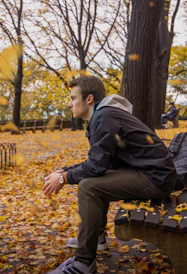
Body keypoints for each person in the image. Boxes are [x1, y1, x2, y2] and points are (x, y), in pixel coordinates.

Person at [43, 75, 177, 274]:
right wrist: (66, 170)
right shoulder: (105, 115)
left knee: (89, 187)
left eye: (73, 98)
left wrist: (63, 178)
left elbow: (96, 166)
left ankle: (83, 263)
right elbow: (103, 163)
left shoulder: (104, 117)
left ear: (89, 99)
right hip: (148, 172)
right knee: (92, 182)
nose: (69, 104)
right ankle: (96, 239)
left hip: (156, 178)